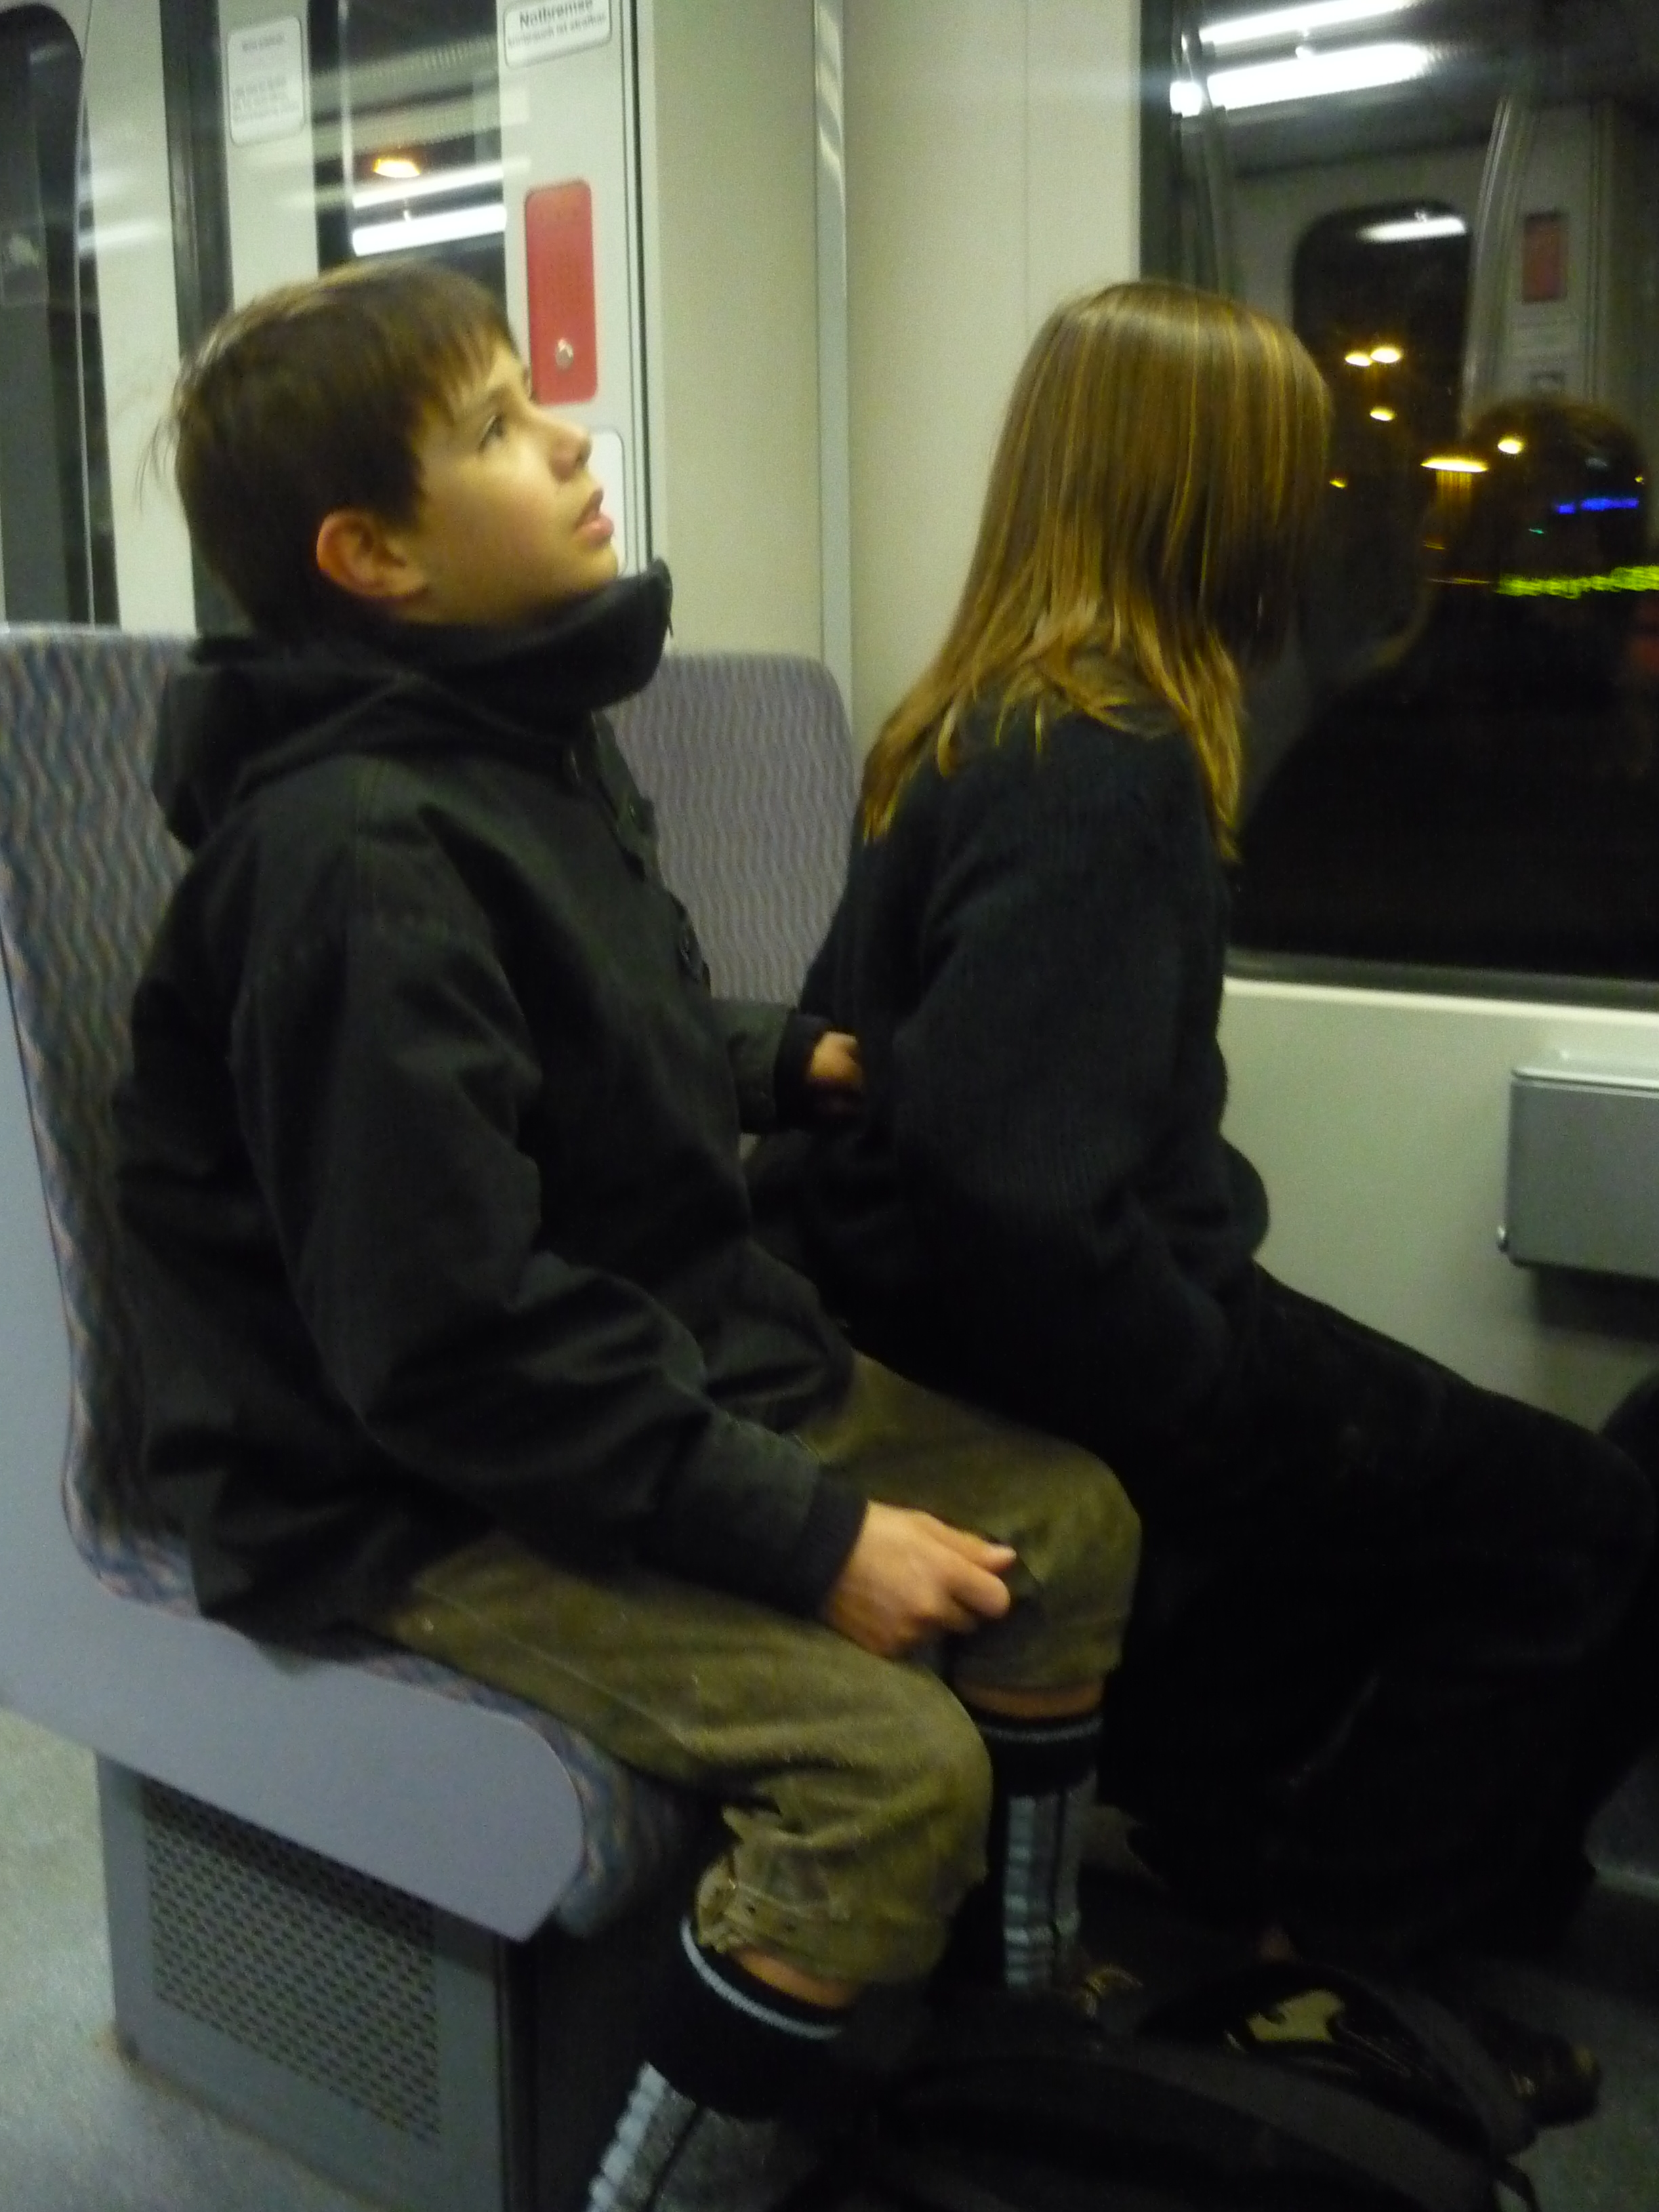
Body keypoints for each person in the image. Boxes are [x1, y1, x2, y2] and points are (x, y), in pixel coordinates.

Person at [112, 262, 1141, 2212]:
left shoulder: (517, 738)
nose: (571, 440)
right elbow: (441, 1341)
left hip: (632, 1353)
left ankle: (1002, 2045)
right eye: (498, 427)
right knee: (889, 1770)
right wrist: (810, 1539)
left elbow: (576, 1040)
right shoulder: (355, 856)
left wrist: (781, 1062)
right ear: (373, 556)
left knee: (1068, 1526)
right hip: (394, 1485)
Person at [761, 281, 1659, 2024]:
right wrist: (1203, 1387)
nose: (1327, 519)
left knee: (1453, 1502)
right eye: (1295, 480)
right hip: (1071, 1330)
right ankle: (1328, 1954)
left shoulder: (987, 707)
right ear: (1210, 502)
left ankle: (1273, 1831)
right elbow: (1006, 1186)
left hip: (1000, 1304)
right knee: (1573, 1520)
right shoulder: (1102, 758)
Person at [1236, 396, 1659, 973]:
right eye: (1555, 523)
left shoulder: (1635, 747)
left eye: (1609, 534)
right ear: (1484, 548)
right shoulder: (1376, 744)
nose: (1588, 557)